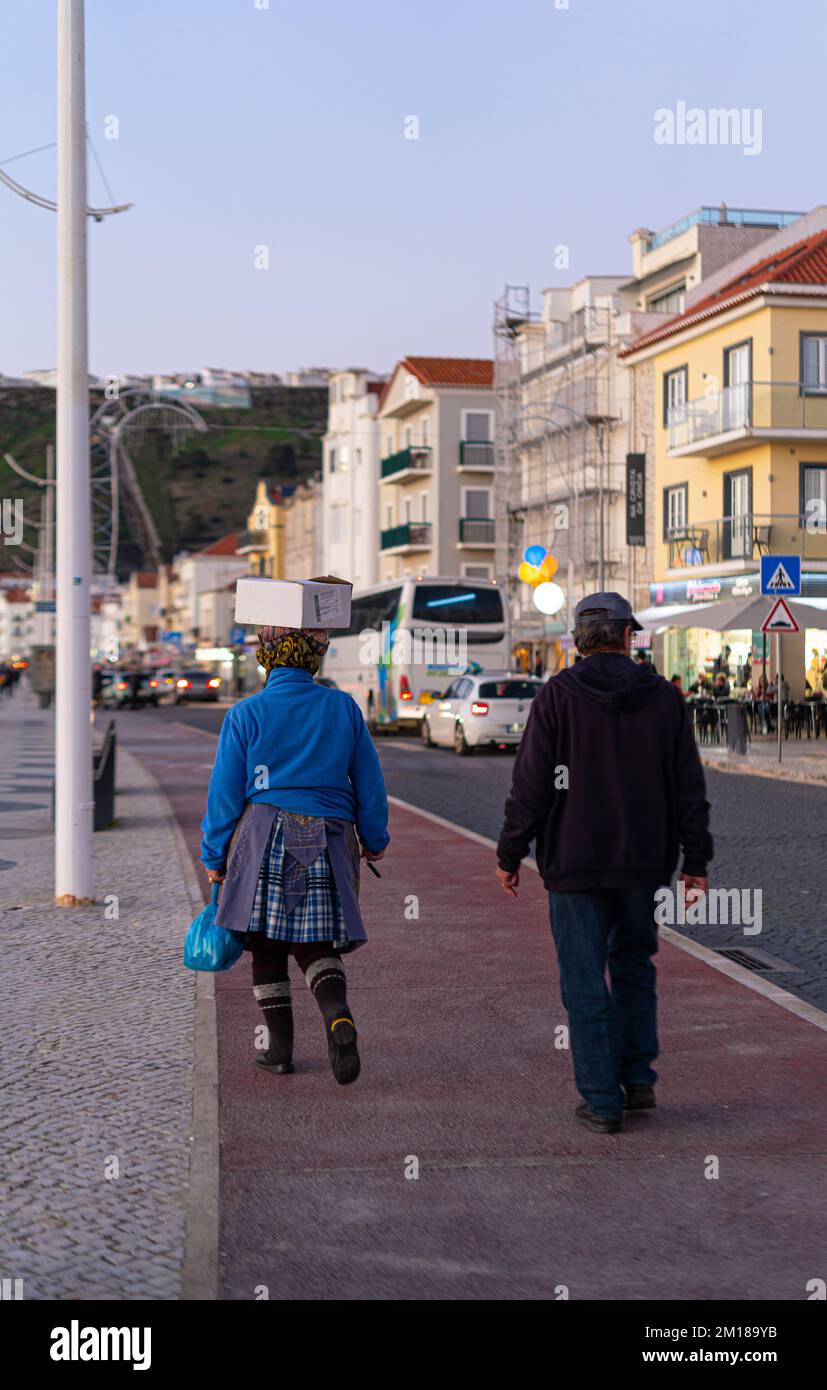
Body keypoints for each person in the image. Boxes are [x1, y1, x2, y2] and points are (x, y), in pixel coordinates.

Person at [495, 591, 713, 1134]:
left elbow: (531, 787)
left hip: (574, 863)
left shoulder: (556, 697)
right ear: (626, 637)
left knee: (585, 980)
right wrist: (696, 861)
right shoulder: (664, 699)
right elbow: (690, 788)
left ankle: (601, 1099)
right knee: (636, 968)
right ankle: (637, 1081)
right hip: (644, 861)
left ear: (576, 642)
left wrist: (511, 852)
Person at [200, 601, 389, 1086]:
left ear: (266, 657)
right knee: (318, 942)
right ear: (313, 659)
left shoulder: (245, 714)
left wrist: (215, 857)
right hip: (327, 832)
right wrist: (374, 838)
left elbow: (224, 794)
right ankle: (338, 1016)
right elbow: (369, 781)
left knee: (266, 947)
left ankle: (279, 1049)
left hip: (263, 834)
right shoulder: (343, 707)